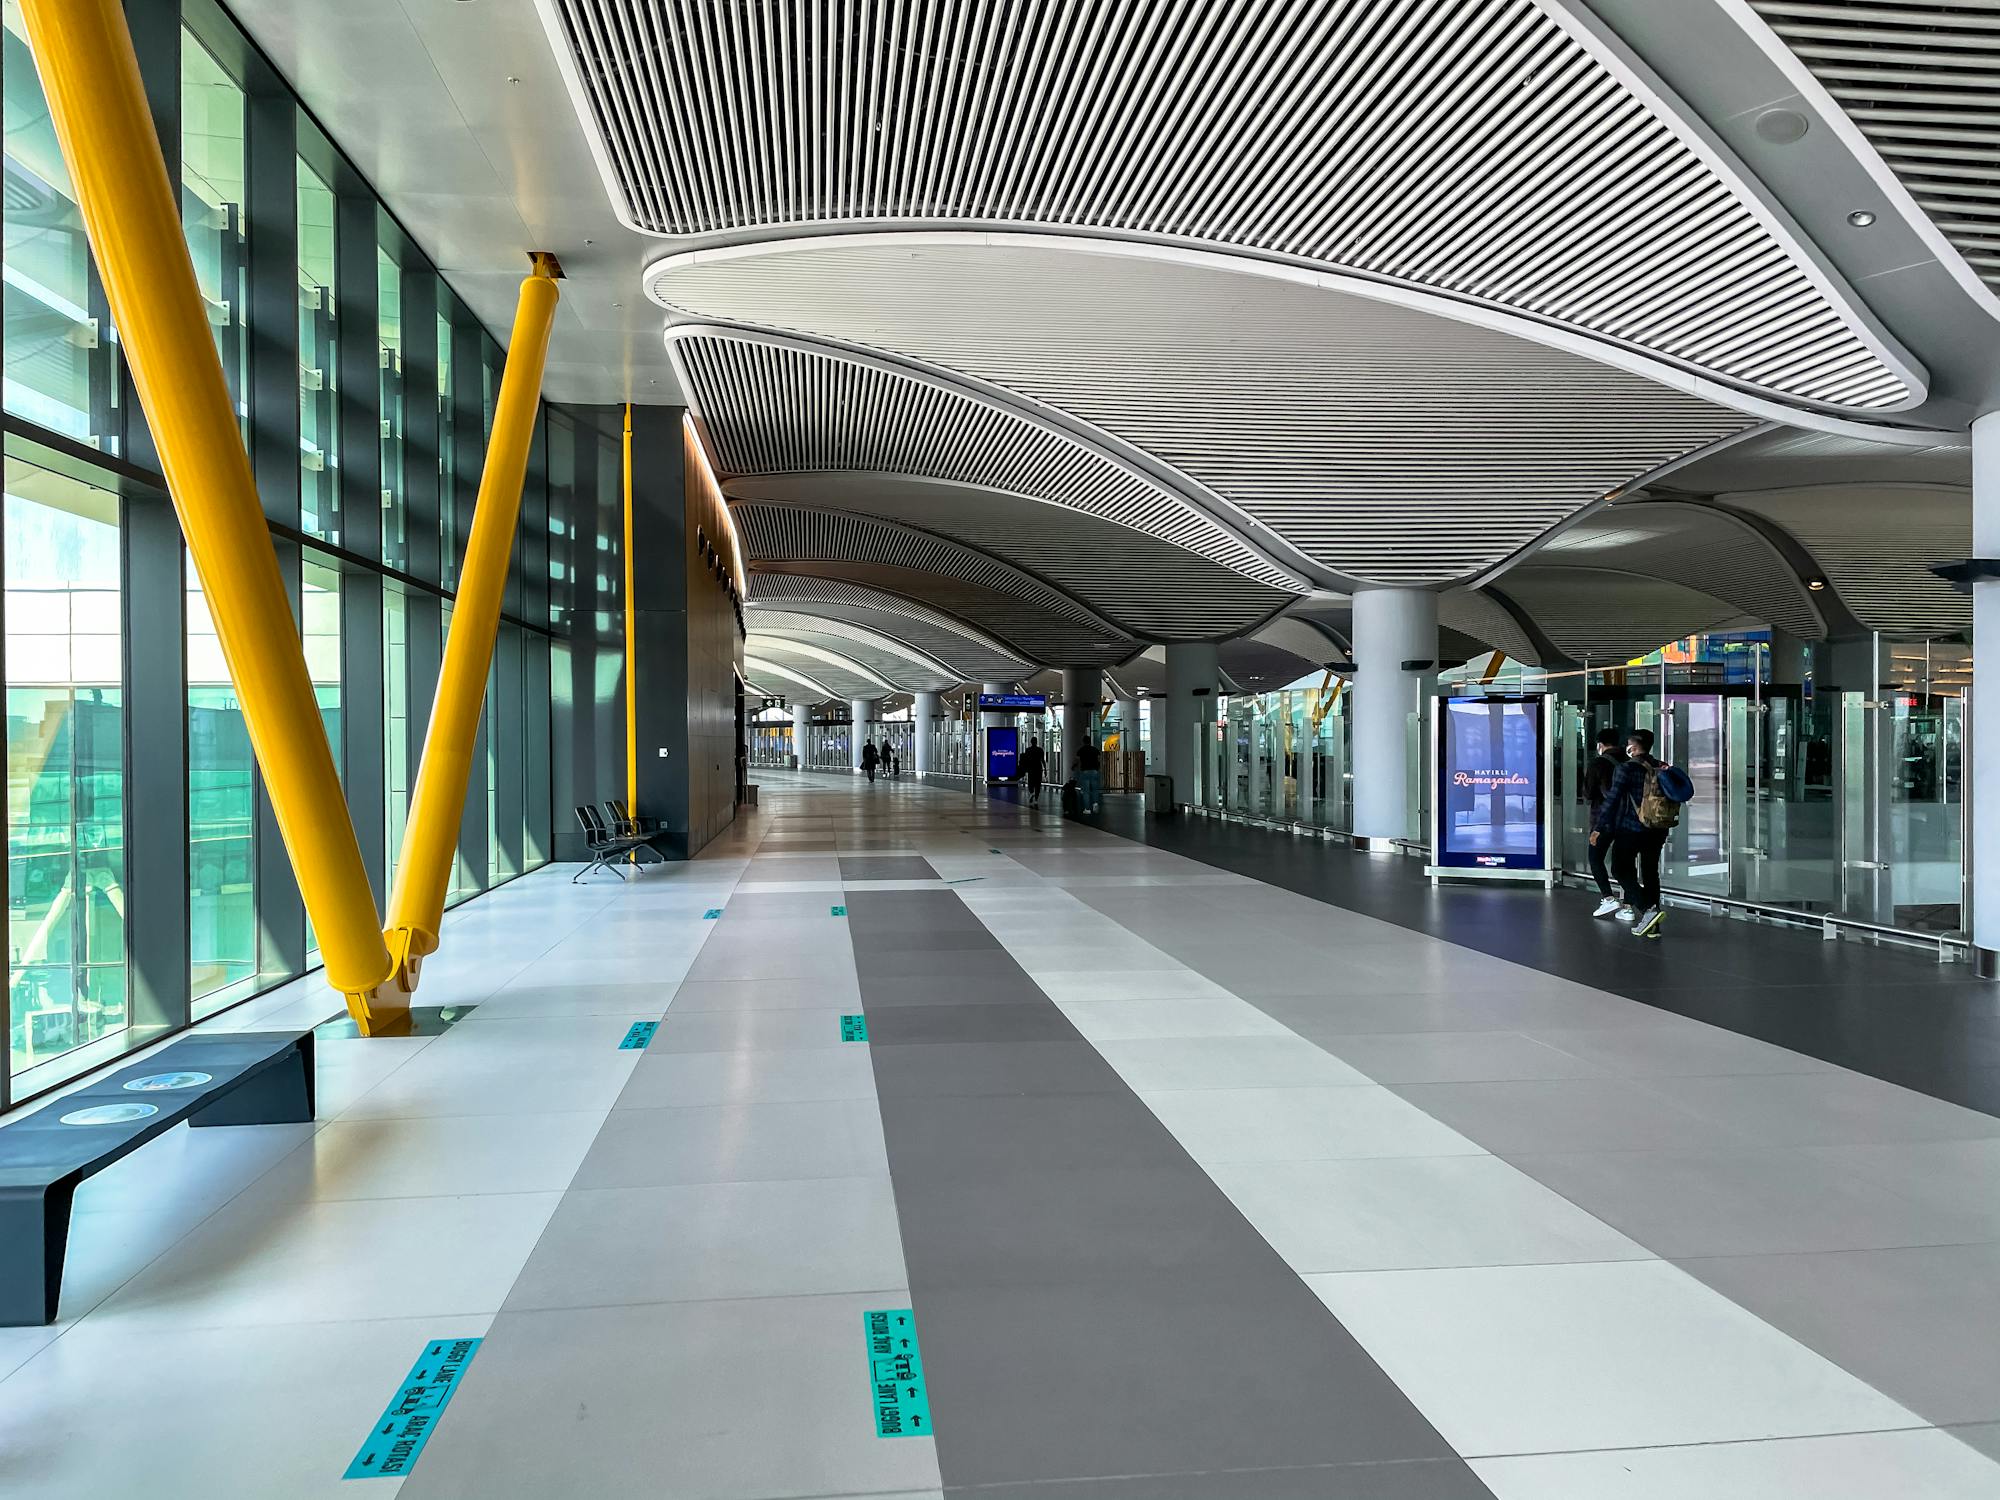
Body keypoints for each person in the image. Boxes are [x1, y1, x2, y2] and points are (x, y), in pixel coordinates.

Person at [1590, 727, 1691, 939]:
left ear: (1633, 747)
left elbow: (1612, 800)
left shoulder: (1627, 769)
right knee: (1650, 872)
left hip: (1631, 828)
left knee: (1620, 869)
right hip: (1658, 828)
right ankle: (1653, 927)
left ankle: (1648, 910)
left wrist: (1599, 828)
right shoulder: (1661, 766)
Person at [1581, 727, 1626, 919]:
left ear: (1600, 744)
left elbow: (1589, 793)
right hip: (1628, 819)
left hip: (1604, 820)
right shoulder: (1629, 761)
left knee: (1595, 857)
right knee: (1625, 864)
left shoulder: (1598, 763)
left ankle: (1608, 898)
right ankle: (1629, 907)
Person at [1075, 738, 1103, 814]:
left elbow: (1077, 760)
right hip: (1094, 771)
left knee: (1086, 791)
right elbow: (1099, 760)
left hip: (1085, 771)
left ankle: (1087, 809)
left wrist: (1074, 767)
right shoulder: (1095, 750)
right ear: (1090, 741)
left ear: (1083, 742)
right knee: (1095, 789)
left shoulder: (1081, 750)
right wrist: (1098, 768)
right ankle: (1095, 803)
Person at [1020, 736, 1046, 804]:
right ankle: (1036, 800)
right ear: (1036, 742)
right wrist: (1045, 769)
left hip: (1031, 769)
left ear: (1031, 742)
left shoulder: (1028, 750)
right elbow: (1043, 760)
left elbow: (1025, 760)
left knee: (1030, 783)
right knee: (1038, 784)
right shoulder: (1040, 750)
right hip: (1038, 769)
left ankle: (1032, 793)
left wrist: (1024, 769)